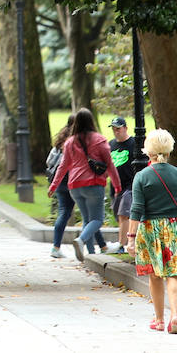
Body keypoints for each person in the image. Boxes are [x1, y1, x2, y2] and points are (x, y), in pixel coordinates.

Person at [129, 128, 177, 334]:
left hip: (150, 229)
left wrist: (131, 238)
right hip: (175, 227)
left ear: (148, 151)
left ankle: (159, 320)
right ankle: (175, 316)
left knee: (154, 274)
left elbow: (136, 209)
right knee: (174, 273)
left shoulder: (142, 176)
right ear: (169, 150)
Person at [47, 108, 119, 260]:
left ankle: (90, 254)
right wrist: (117, 185)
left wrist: (53, 186)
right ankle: (81, 240)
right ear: (91, 121)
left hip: (74, 186)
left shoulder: (69, 142)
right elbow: (110, 164)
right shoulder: (99, 140)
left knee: (87, 219)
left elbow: (63, 166)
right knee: (97, 219)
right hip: (93, 184)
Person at [108, 115, 139, 254]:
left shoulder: (134, 143)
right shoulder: (111, 144)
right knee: (118, 215)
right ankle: (129, 240)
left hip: (129, 185)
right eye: (114, 129)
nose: (116, 132)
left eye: (118, 129)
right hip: (115, 186)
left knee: (123, 214)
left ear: (125, 128)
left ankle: (121, 245)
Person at [46, 115, 75, 258]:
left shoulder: (60, 141)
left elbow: (49, 161)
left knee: (63, 212)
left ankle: (56, 247)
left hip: (59, 181)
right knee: (90, 214)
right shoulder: (75, 141)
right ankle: (99, 246)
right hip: (74, 180)